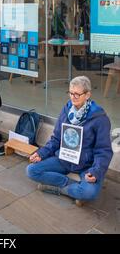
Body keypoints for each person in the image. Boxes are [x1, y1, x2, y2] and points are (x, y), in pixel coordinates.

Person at [26, 76, 113, 205]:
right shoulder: (66, 110)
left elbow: (103, 151)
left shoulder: (100, 118)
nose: (73, 97)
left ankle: (59, 188)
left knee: (90, 192)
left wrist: (96, 171)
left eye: (77, 94)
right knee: (31, 170)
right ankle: (70, 186)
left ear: (87, 95)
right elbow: (56, 139)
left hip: (86, 165)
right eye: (71, 93)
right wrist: (41, 154)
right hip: (65, 159)